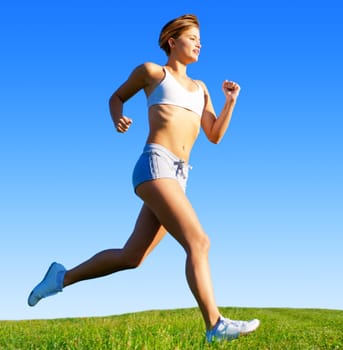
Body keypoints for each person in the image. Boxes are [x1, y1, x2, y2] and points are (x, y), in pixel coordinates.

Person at [27, 14, 259, 343]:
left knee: (131, 257)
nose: (199, 43)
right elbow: (116, 97)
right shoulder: (153, 72)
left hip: (179, 177)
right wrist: (117, 116)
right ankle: (214, 325)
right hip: (155, 164)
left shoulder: (202, 88)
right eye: (192, 37)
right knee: (199, 242)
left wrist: (230, 103)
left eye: (200, 39)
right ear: (171, 41)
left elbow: (214, 135)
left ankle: (60, 278)